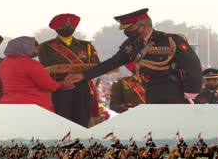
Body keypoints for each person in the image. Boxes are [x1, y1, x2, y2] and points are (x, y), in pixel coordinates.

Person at [66, 8, 202, 104]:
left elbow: (193, 66)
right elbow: (112, 62)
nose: (127, 32)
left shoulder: (171, 40)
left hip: (174, 89)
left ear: (144, 25)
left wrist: (192, 91)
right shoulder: (131, 44)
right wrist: (85, 75)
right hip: (150, 88)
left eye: (130, 28)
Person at [39, 13, 100, 127]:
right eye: (64, 25)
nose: (68, 27)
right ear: (56, 28)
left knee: (82, 119)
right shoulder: (46, 47)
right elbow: (45, 70)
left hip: (82, 86)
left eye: (70, 25)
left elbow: (96, 65)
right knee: (61, 120)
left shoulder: (86, 46)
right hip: (60, 87)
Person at [0, 36, 74, 111]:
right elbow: (48, 85)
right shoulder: (31, 64)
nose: (36, 52)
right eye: (35, 48)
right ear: (25, 48)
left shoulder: (2, 63)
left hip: (8, 105)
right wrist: (62, 84)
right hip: (33, 106)